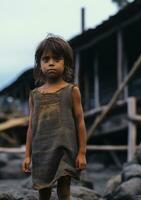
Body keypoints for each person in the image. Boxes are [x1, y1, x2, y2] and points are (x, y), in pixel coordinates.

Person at [22, 34, 87, 200]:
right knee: (43, 191)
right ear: (40, 64)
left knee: (64, 190)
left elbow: (80, 123)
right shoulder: (35, 95)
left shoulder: (71, 91)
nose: (51, 63)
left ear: (65, 62)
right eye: (45, 59)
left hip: (65, 149)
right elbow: (31, 126)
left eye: (57, 59)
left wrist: (82, 153)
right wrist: (27, 155)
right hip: (41, 151)